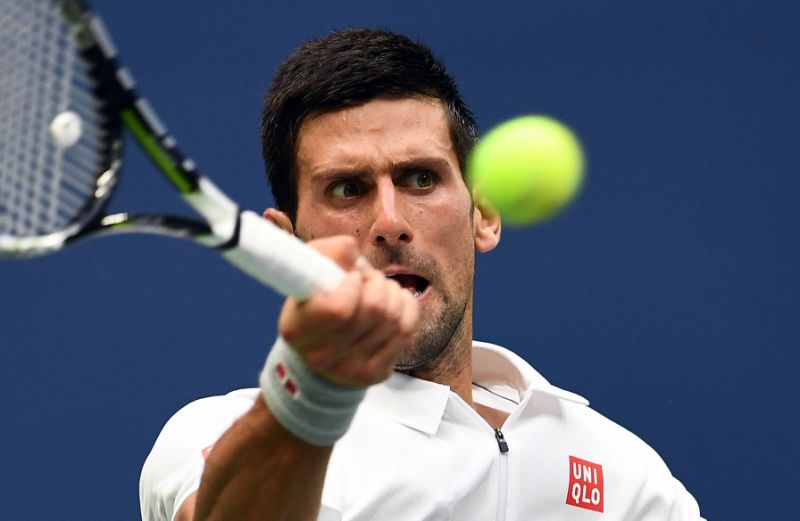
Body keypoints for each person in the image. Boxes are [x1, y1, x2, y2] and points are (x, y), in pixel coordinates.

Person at [140, 29, 703, 521]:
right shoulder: (213, 435)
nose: (389, 222)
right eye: (347, 189)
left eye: (419, 179)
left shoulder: (624, 474)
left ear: (481, 215)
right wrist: (309, 390)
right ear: (291, 242)